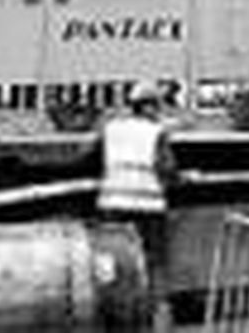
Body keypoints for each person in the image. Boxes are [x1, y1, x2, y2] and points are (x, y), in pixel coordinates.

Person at [100, 80, 177, 326]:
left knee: (114, 263)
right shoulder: (156, 132)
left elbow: (87, 156)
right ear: (149, 107)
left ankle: (114, 316)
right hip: (148, 208)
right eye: (157, 106)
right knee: (155, 262)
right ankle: (158, 319)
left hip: (113, 205)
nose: (159, 112)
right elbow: (167, 168)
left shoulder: (111, 128)